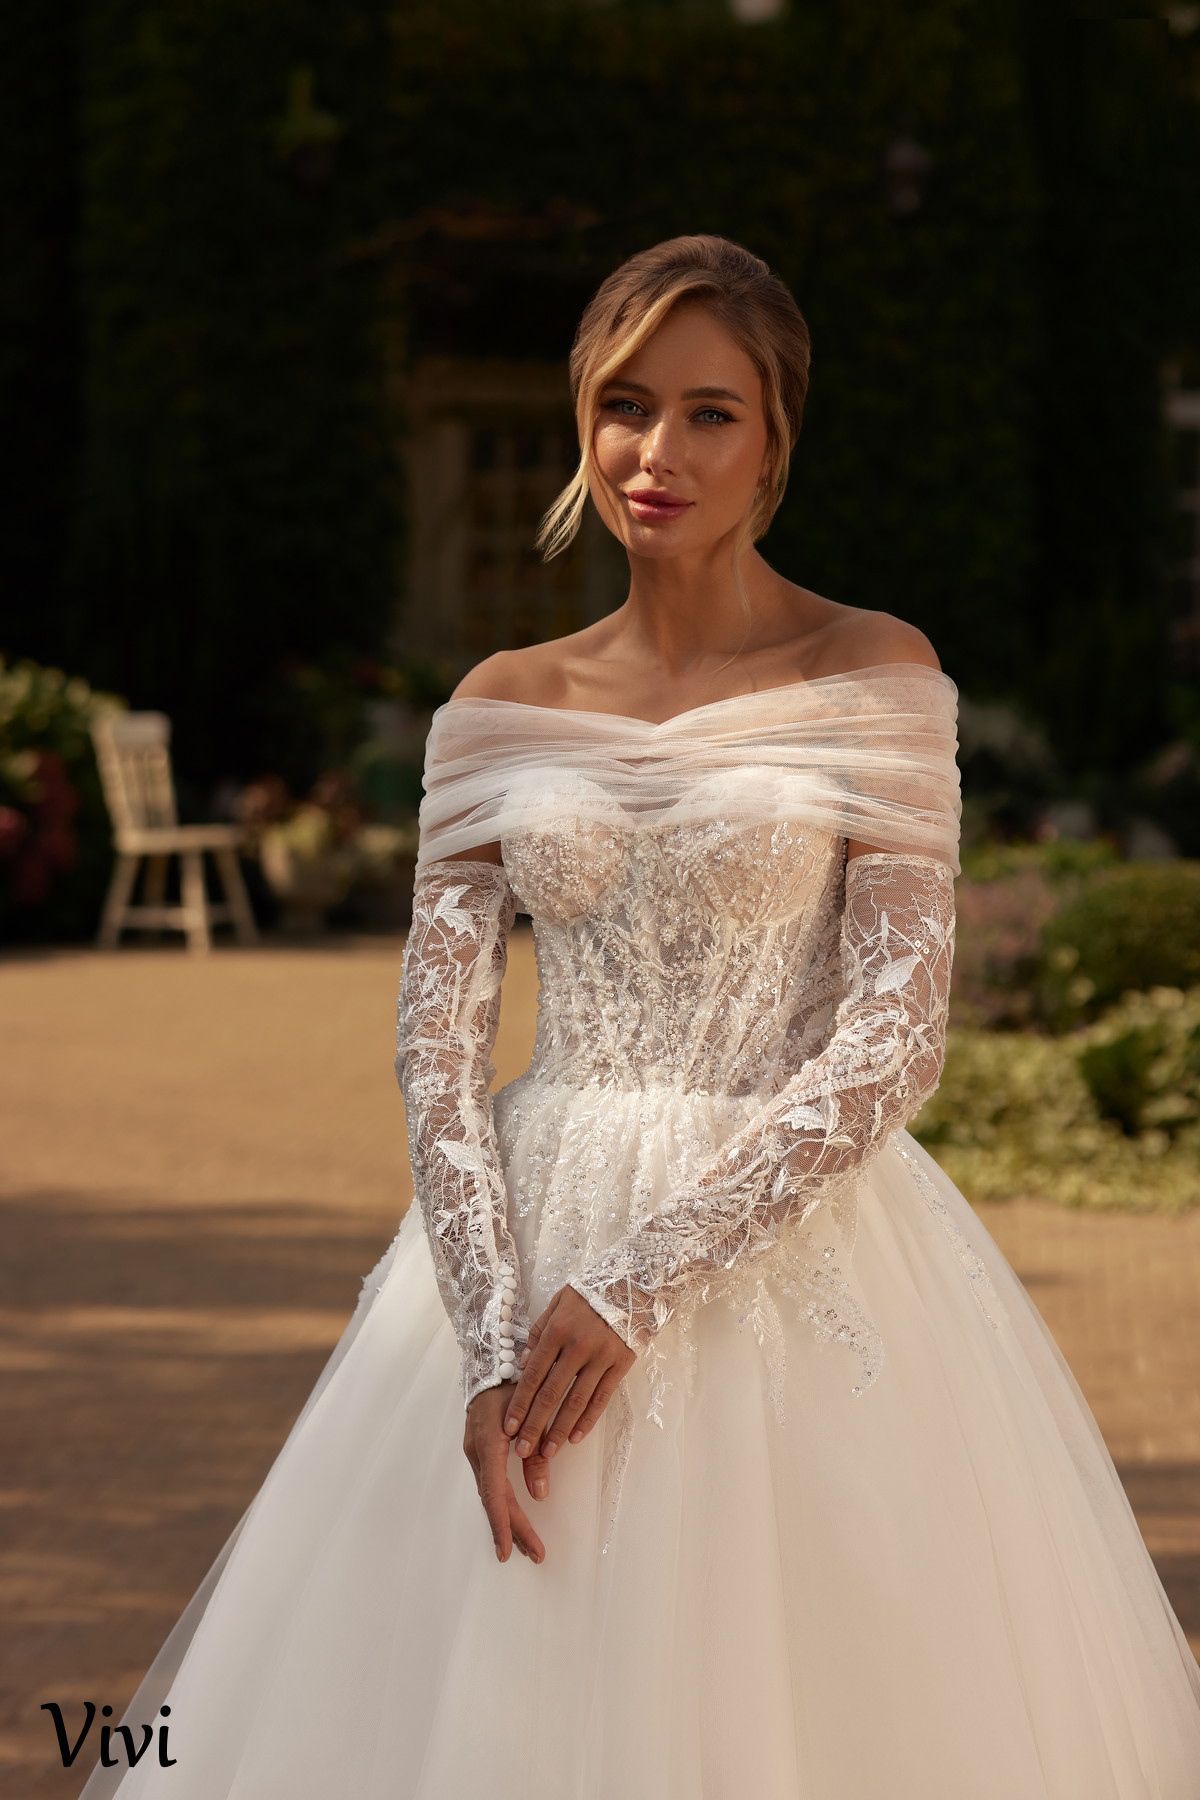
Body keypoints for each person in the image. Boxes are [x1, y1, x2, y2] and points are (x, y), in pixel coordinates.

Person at [78, 234, 1200, 1798]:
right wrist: (487, 1337)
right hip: (515, 1244)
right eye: (624, 405)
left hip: (785, 1248)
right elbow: (435, 1044)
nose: (657, 453)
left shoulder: (872, 671)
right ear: (581, 421)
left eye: (709, 413)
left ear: (775, 438)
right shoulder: (496, 705)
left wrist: (633, 1286)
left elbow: (895, 1037)